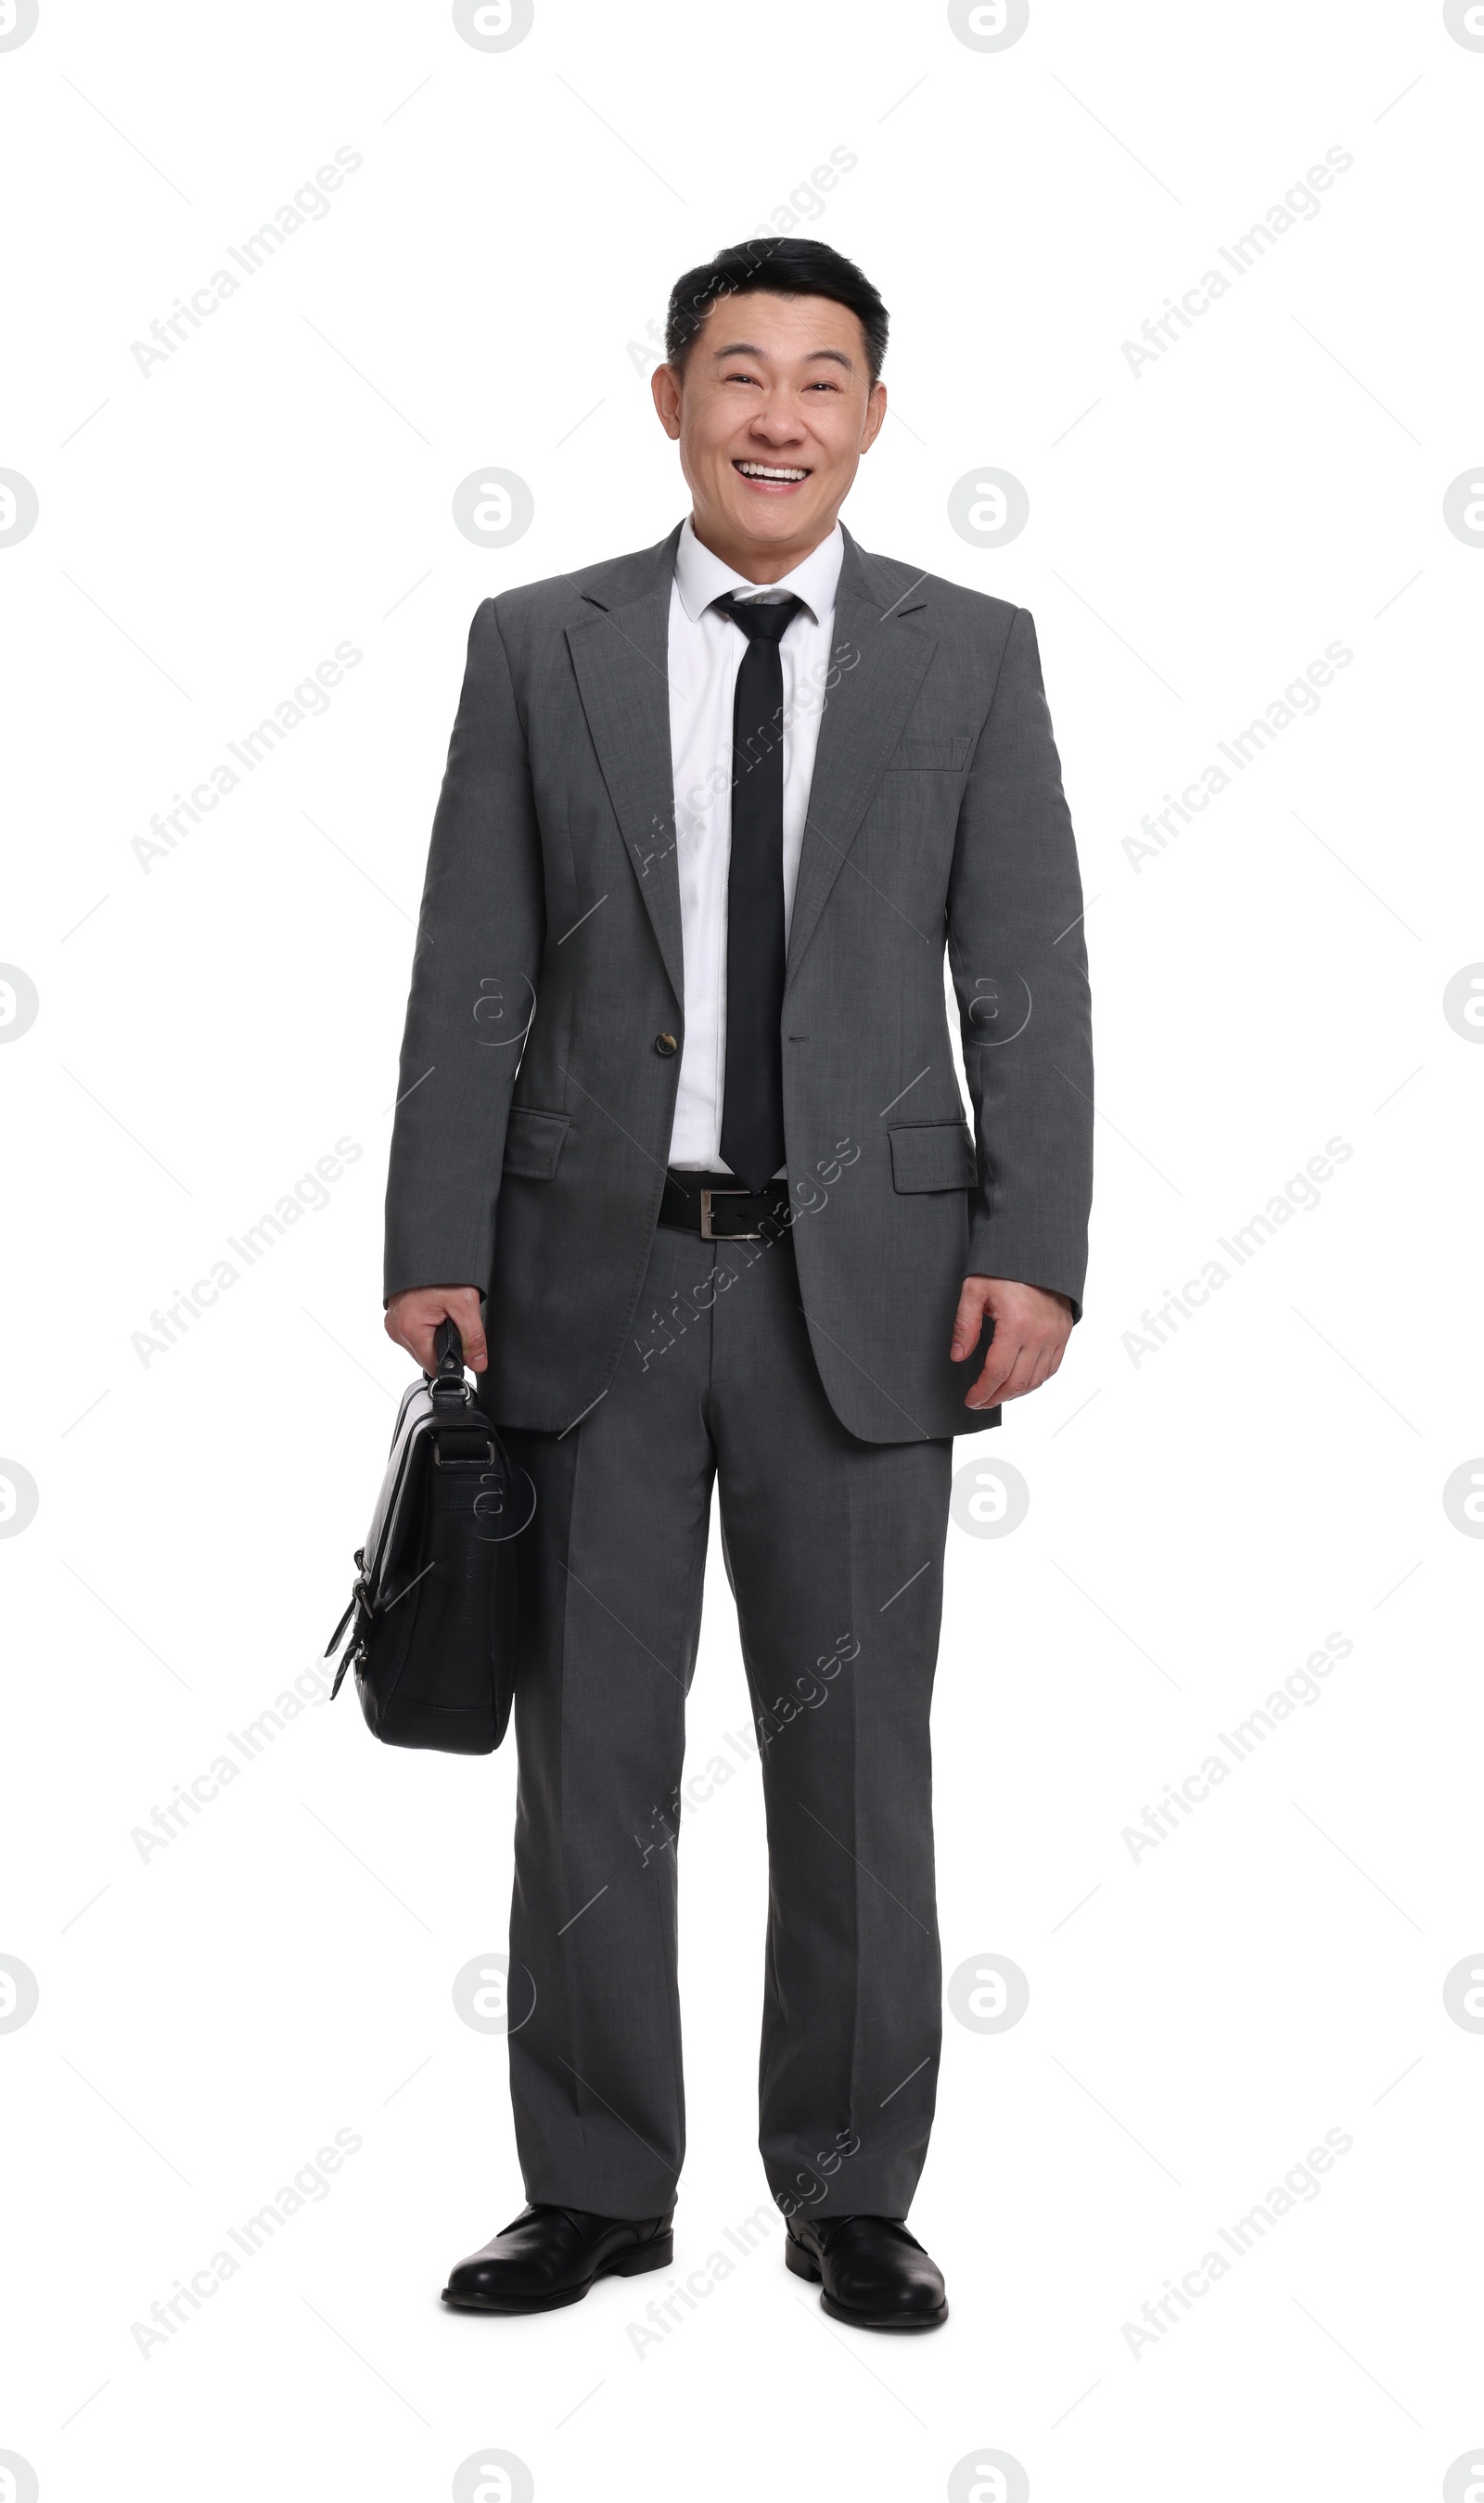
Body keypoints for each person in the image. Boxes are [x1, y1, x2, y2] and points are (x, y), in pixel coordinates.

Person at [382, 237, 1093, 2332]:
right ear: (669, 395)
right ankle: (593, 2180)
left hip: (865, 1292)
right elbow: (470, 964)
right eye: (737, 373)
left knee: (857, 1759)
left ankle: (851, 2187)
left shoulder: (968, 654)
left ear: (874, 413)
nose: (776, 414)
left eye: (821, 378)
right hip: (585, 1280)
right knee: (586, 1751)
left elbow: (1024, 980)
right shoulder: (543, 642)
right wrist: (434, 1242)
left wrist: (1029, 1244)